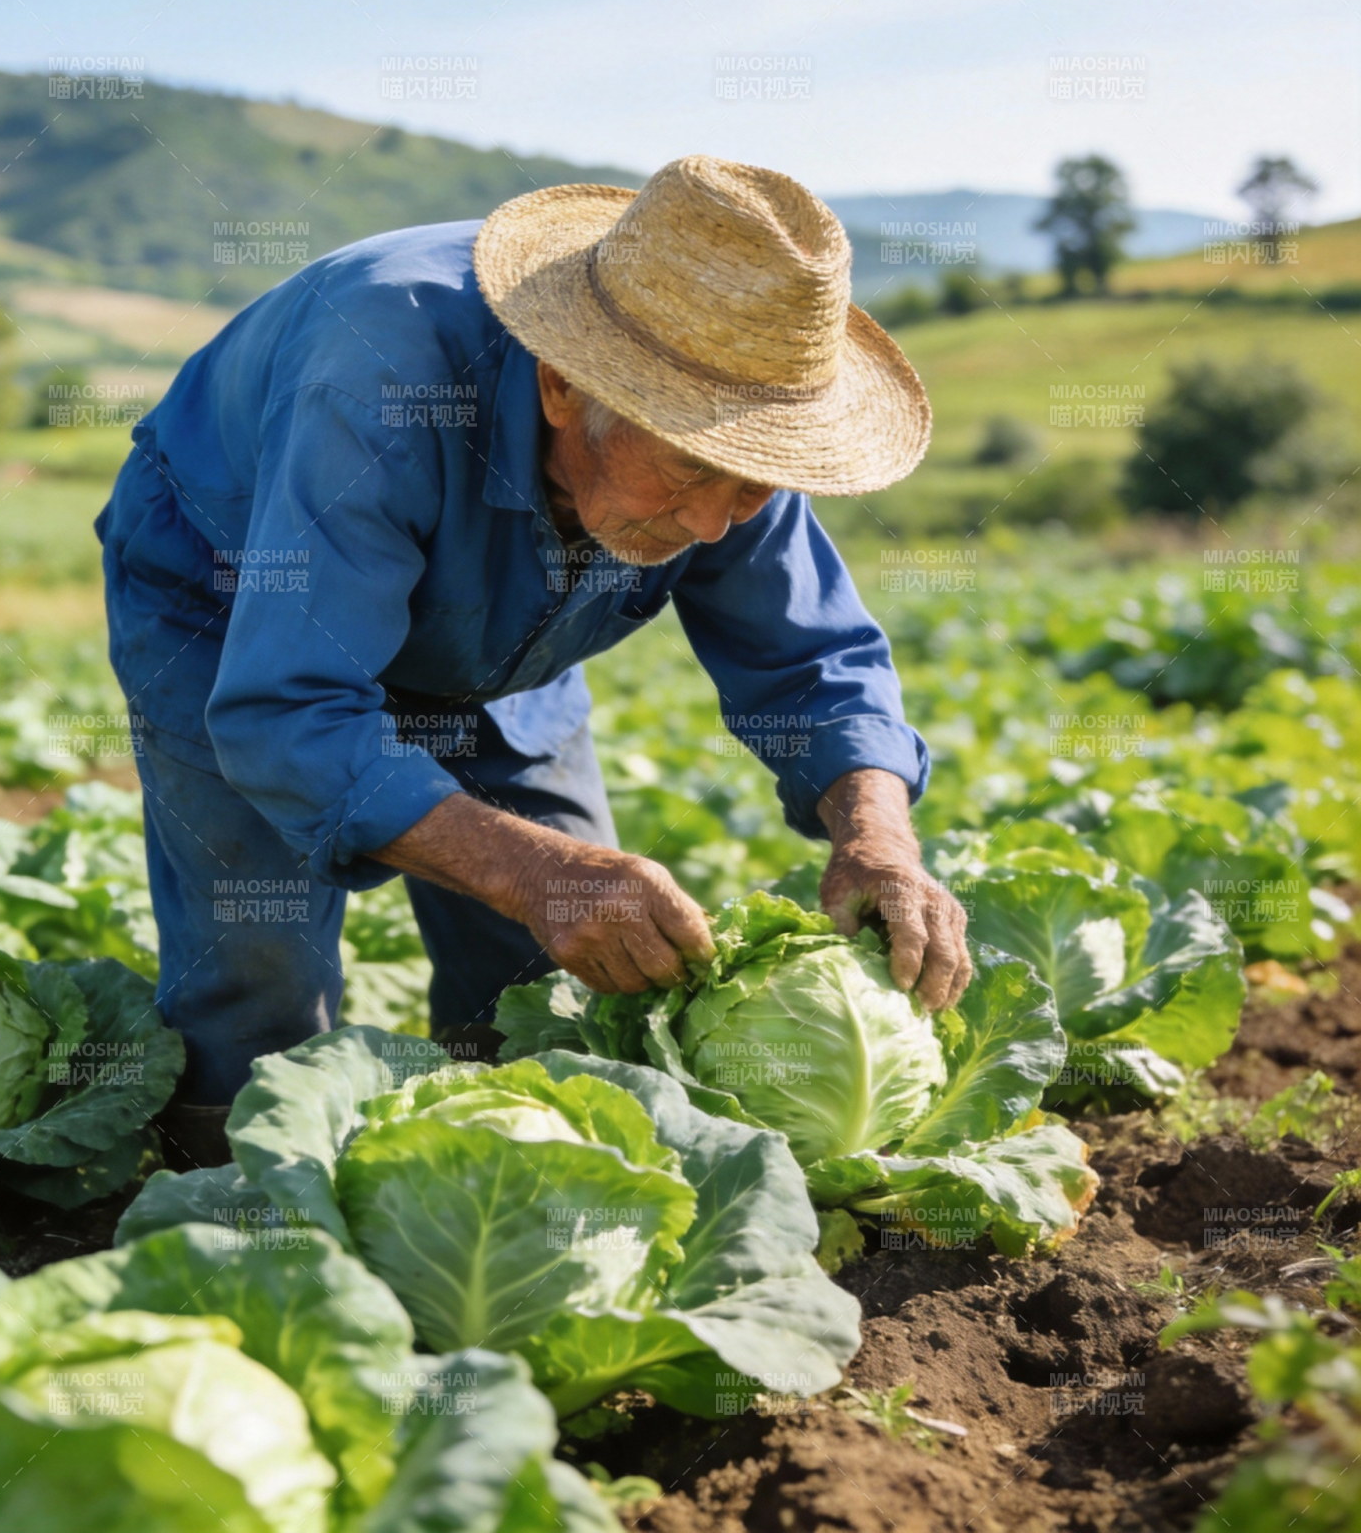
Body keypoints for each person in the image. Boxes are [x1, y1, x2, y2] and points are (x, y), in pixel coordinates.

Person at [95, 154, 972, 1160]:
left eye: (752, 489)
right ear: (563, 384)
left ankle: (478, 1179)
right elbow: (287, 710)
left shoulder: (728, 455)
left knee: (544, 984)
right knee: (261, 965)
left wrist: (876, 839)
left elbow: (815, 661)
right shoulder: (378, 378)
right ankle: (236, 1208)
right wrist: (531, 868)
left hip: (508, 628)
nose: (711, 523)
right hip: (234, 584)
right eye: (687, 472)